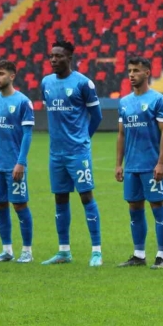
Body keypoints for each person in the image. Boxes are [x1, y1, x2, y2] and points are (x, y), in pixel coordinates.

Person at [40, 41, 103, 267]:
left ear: (69, 58)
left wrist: (84, 138)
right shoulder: (46, 82)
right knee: (60, 199)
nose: (54, 60)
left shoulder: (83, 83)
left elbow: (97, 116)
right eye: (51, 56)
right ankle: (64, 251)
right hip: (56, 153)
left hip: (78, 152)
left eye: (58, 56)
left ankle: (96, 250)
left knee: (86, 197)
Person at [115, 57, 163, 269]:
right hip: (131, 167)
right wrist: (119, 164)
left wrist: (161, 163)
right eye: (129, 70)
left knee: (157, 206)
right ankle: (139, 255)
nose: (131, 74)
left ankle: (162, 256)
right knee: (134, 208)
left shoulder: (158, 100)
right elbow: (121, 135)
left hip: (151, 165)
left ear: (147, 73)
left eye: (136, 71)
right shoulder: (124, 102)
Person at [0, 60, 34, 263]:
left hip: (14, 165)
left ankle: (27, 251)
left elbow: (27, 135)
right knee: (0, 206)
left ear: (12, 76)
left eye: (1, 73)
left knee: (20, 206)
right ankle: (7, 250)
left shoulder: (22, 102)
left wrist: (21, 162)